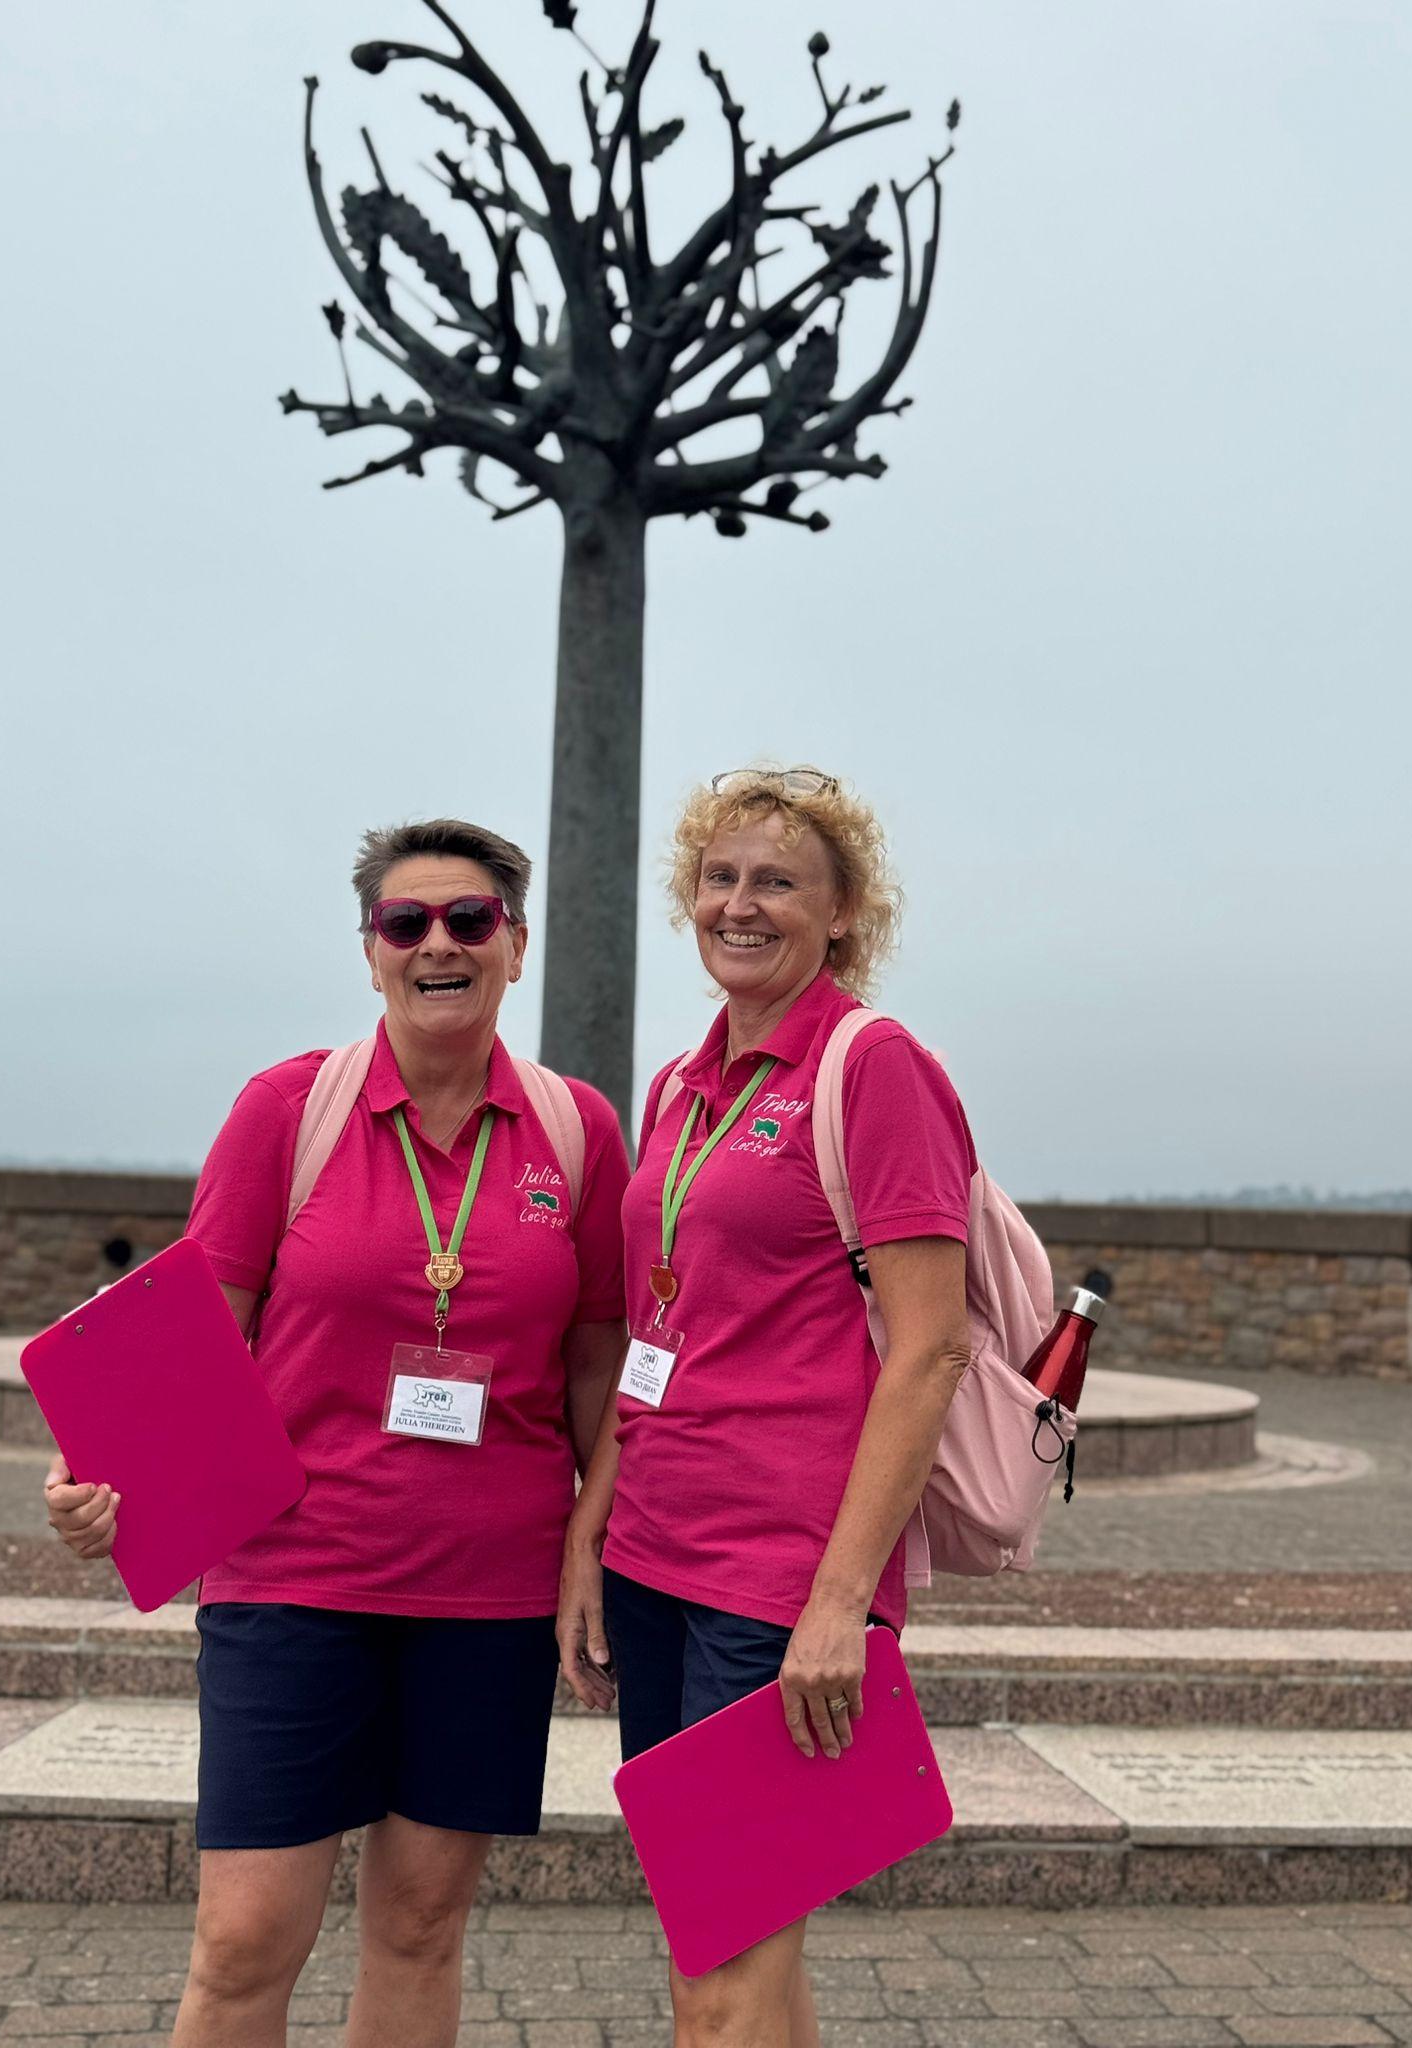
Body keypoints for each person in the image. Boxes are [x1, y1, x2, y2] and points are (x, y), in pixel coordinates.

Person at [45, 817, 629, 2048]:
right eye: (405, 921)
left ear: (516, 944)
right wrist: (95, 1475)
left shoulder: (577, 1130)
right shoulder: (287, 1109)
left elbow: (597, 1363)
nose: (438, 943)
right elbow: (193, 1336)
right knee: (245, 1936)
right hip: (293, 1576)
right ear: (370, 952)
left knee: (420, 1925)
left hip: (489, 1590)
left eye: (469, 918)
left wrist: (594, 1536)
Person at [558, 767, 977, 2048]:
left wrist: (841, 1602)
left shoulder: (874, 1066)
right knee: (723, 1938)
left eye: (779, 881)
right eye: (720, 877)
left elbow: (930, 1349)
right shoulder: (681, 1086)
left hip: (777, 1580)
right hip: (654, 1559)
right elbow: (660, 1336)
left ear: (841, 912)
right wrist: (589, 1531)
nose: (740, 904)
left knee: (721, 1972)